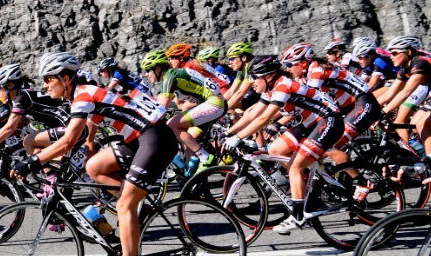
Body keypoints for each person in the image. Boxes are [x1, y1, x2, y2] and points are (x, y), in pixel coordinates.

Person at [10, 52, 176, 256]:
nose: (45, 85)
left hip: (154, 138)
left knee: (124, 206)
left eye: (49, 79)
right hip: (137, 139)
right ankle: (133, 206)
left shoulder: (84, 94)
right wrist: (71, 156)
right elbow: (85, 134)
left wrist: (31, 162)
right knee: (94, 167)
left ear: (66, 78)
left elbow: (68, 140)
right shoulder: (83, 93)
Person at [223, 52, 343, 233]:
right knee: (275, 149)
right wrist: (229, 132)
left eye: (254, 77)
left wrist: (238, 138)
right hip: (311, 123)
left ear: (268, 76)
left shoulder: (283, 86)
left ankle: (297, 216)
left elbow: (264, 119)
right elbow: (253, 114)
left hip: (329, 121)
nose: (252, 82)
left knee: (295, 167)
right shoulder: (271, 88)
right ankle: (303, 188)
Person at [141, 49, 225, 175]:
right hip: (210, 102)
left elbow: (161, 109)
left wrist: (143, 121)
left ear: (158, 68)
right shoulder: (172, 74)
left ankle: (205, 157)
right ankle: (191, 180)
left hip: (215, 103)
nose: (147, 74)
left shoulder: (170, 77)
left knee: (172, 125)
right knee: (182, 135)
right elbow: (162, 101)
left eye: (148, 70)